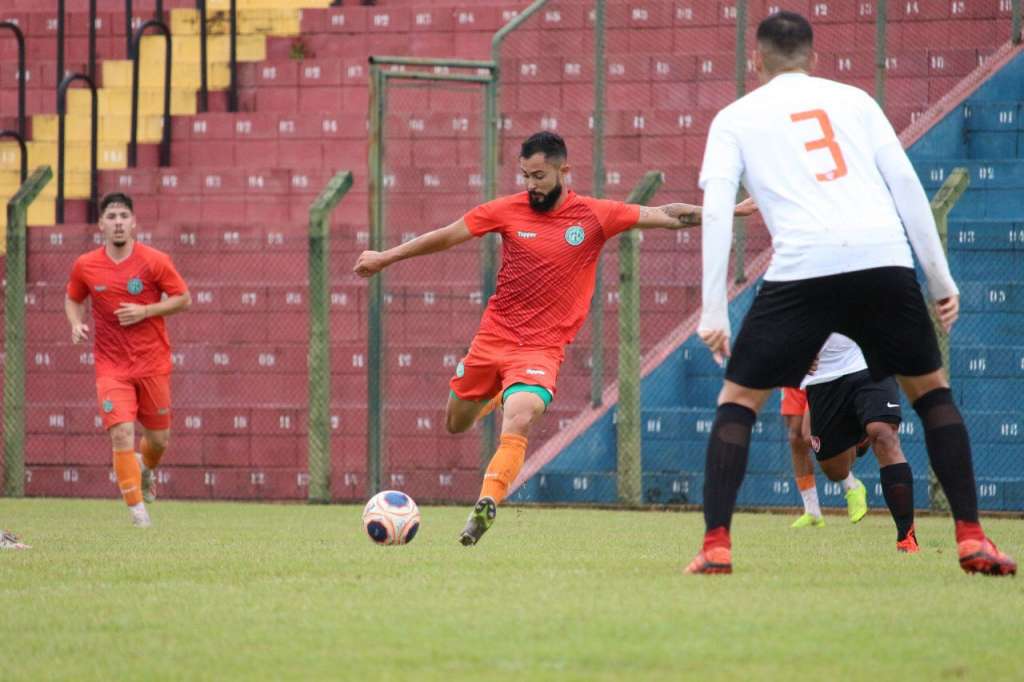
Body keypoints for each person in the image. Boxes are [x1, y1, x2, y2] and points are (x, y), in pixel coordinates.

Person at [687, 11, 1015, 575]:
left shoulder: (735, 117)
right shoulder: (856, 101)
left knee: (738, 402)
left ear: (755, 60)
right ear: (814, 58)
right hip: (881, 259)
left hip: (803, 266)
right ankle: (972, 537)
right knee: (933, 396)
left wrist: (714, 309)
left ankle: (716, 545)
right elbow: (906, 184)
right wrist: (941, 280)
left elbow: (718, 208)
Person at [355, 131, 756, 546]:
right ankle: (500, 393)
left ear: (564, 170)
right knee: (457, 423)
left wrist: (728, 210)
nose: (531, 185)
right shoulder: (506, 210)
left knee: (521, 416)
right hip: (493, 338)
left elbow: (666, 214)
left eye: (540, 176)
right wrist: (385, 257)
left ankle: (486, 504)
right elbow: (448, 234)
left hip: (540, 349)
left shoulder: (594, 215)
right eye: (526, 176)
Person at [65, 192, 192, 528]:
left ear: (134, 222)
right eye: (111, 217)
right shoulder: (86, 265)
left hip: (152, 363)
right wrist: (76, 323)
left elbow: (183, 298)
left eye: (123, 216)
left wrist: (146, 311)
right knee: (120, 433)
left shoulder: (154, 260)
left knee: (158, 440)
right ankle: (138, 515)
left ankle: (146, 469)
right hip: (111, 367)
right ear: (101, 224)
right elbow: (73, 298)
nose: (118, 223)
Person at [800, 334, 918, 551]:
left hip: (871, 360)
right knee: (835, 470)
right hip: (824, 377)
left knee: (884, 435)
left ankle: (906, 537)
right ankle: (860, 436)